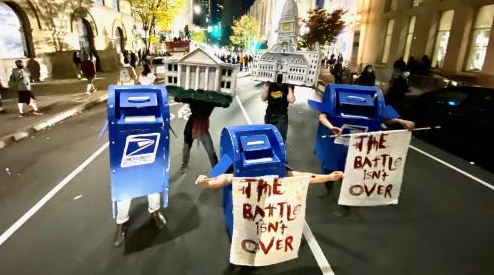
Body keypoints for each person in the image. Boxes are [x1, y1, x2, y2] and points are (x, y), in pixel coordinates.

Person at [317, 106, 414, 217]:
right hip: (334, 147)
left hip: (357, 150)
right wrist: (332, 127)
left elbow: (384, 118)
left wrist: (401, 121)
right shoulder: (337, 101)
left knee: (350, 177)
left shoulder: (372, 105)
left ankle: (346, 205)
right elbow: (322, 116)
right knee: (328, 170)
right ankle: (328, 190)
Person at [177, 98, 226, 174]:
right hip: (194, 127)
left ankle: (184, 165)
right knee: (209, 152)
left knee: (209, 152)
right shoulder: (210, 99)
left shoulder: (195, 97)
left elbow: (179, 98)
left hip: (196, 127)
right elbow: (225, 104)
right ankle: (217, 171)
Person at [195, 169, 344, 189]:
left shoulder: (279, 171)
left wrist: (329, 177)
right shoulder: (241, 174)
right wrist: (205, 183)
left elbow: (305, 177)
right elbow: (222, 179)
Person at [262, 74, 296, 142]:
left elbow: (291, 100)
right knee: (268, 139)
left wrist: (289, 87)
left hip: (281, 118)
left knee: (280, 140)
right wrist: (268, 85)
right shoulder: (271, 84)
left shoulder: (288, 86)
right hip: (269, 115)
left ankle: (279, 152)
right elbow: (263, 98)